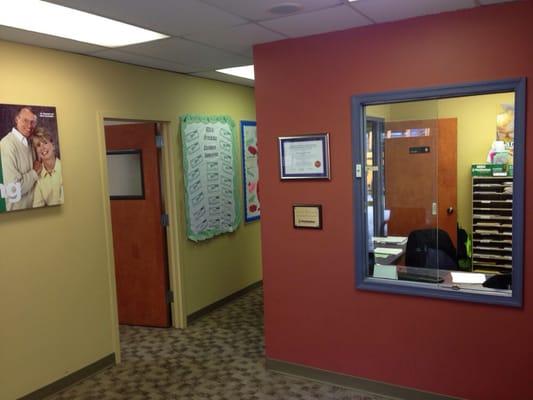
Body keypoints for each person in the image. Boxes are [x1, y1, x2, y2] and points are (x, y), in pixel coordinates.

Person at [0, 106, 42, 210]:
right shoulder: (6, 145)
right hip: (16, 215)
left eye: (32, 122)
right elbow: (13, 189)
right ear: (16, 119)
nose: (29, 126)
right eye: (25, 120)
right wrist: (34, 173)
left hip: (34, 210)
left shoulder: (30, 143)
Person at [31, 127, 63, 207]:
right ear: (36, 151)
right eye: (38, 145)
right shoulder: (37, 175)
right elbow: (37, 206)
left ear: (53, 146)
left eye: (45, 142)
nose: (42, 148)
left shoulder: (64, 169)